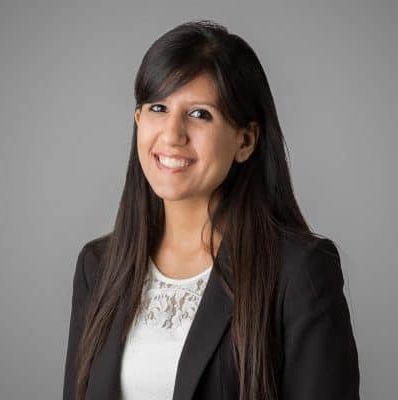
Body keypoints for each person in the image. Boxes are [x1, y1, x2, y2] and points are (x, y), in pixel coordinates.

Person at [63, 19, 360, 400]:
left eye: (200, 114)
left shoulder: (299, 272)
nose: (172, 134)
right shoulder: (98, 266)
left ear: (245, 141)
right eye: (158, 108)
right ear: (138, 120)